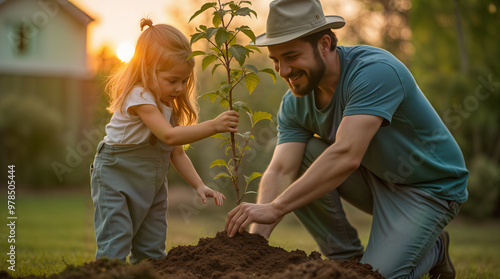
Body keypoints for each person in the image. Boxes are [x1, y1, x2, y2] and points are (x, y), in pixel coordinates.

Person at [225, 0, 468, 278]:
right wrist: (256, 243)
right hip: (376, 177)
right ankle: (345, 261)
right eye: (276, 60)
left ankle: (435, 249)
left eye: (291, 56)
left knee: (375, 277)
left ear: (324, 44)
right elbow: (281, 169)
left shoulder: (374, 72)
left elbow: (346, 155)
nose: (283, 71)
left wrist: (276, 207)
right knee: (303, 154)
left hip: (427, 188)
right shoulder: (295, 102)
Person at [90, 18, 239, 264]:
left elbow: (176, 152)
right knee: (114, 244)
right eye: (173, 80)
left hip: (152, 183)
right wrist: (214, 125)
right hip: (116, 176)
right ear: (148, 70)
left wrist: (198, 185)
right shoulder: (138, 96)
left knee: (152, 249)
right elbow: (168, 136)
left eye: (184, 80)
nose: (180, 88)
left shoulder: (169, 107)